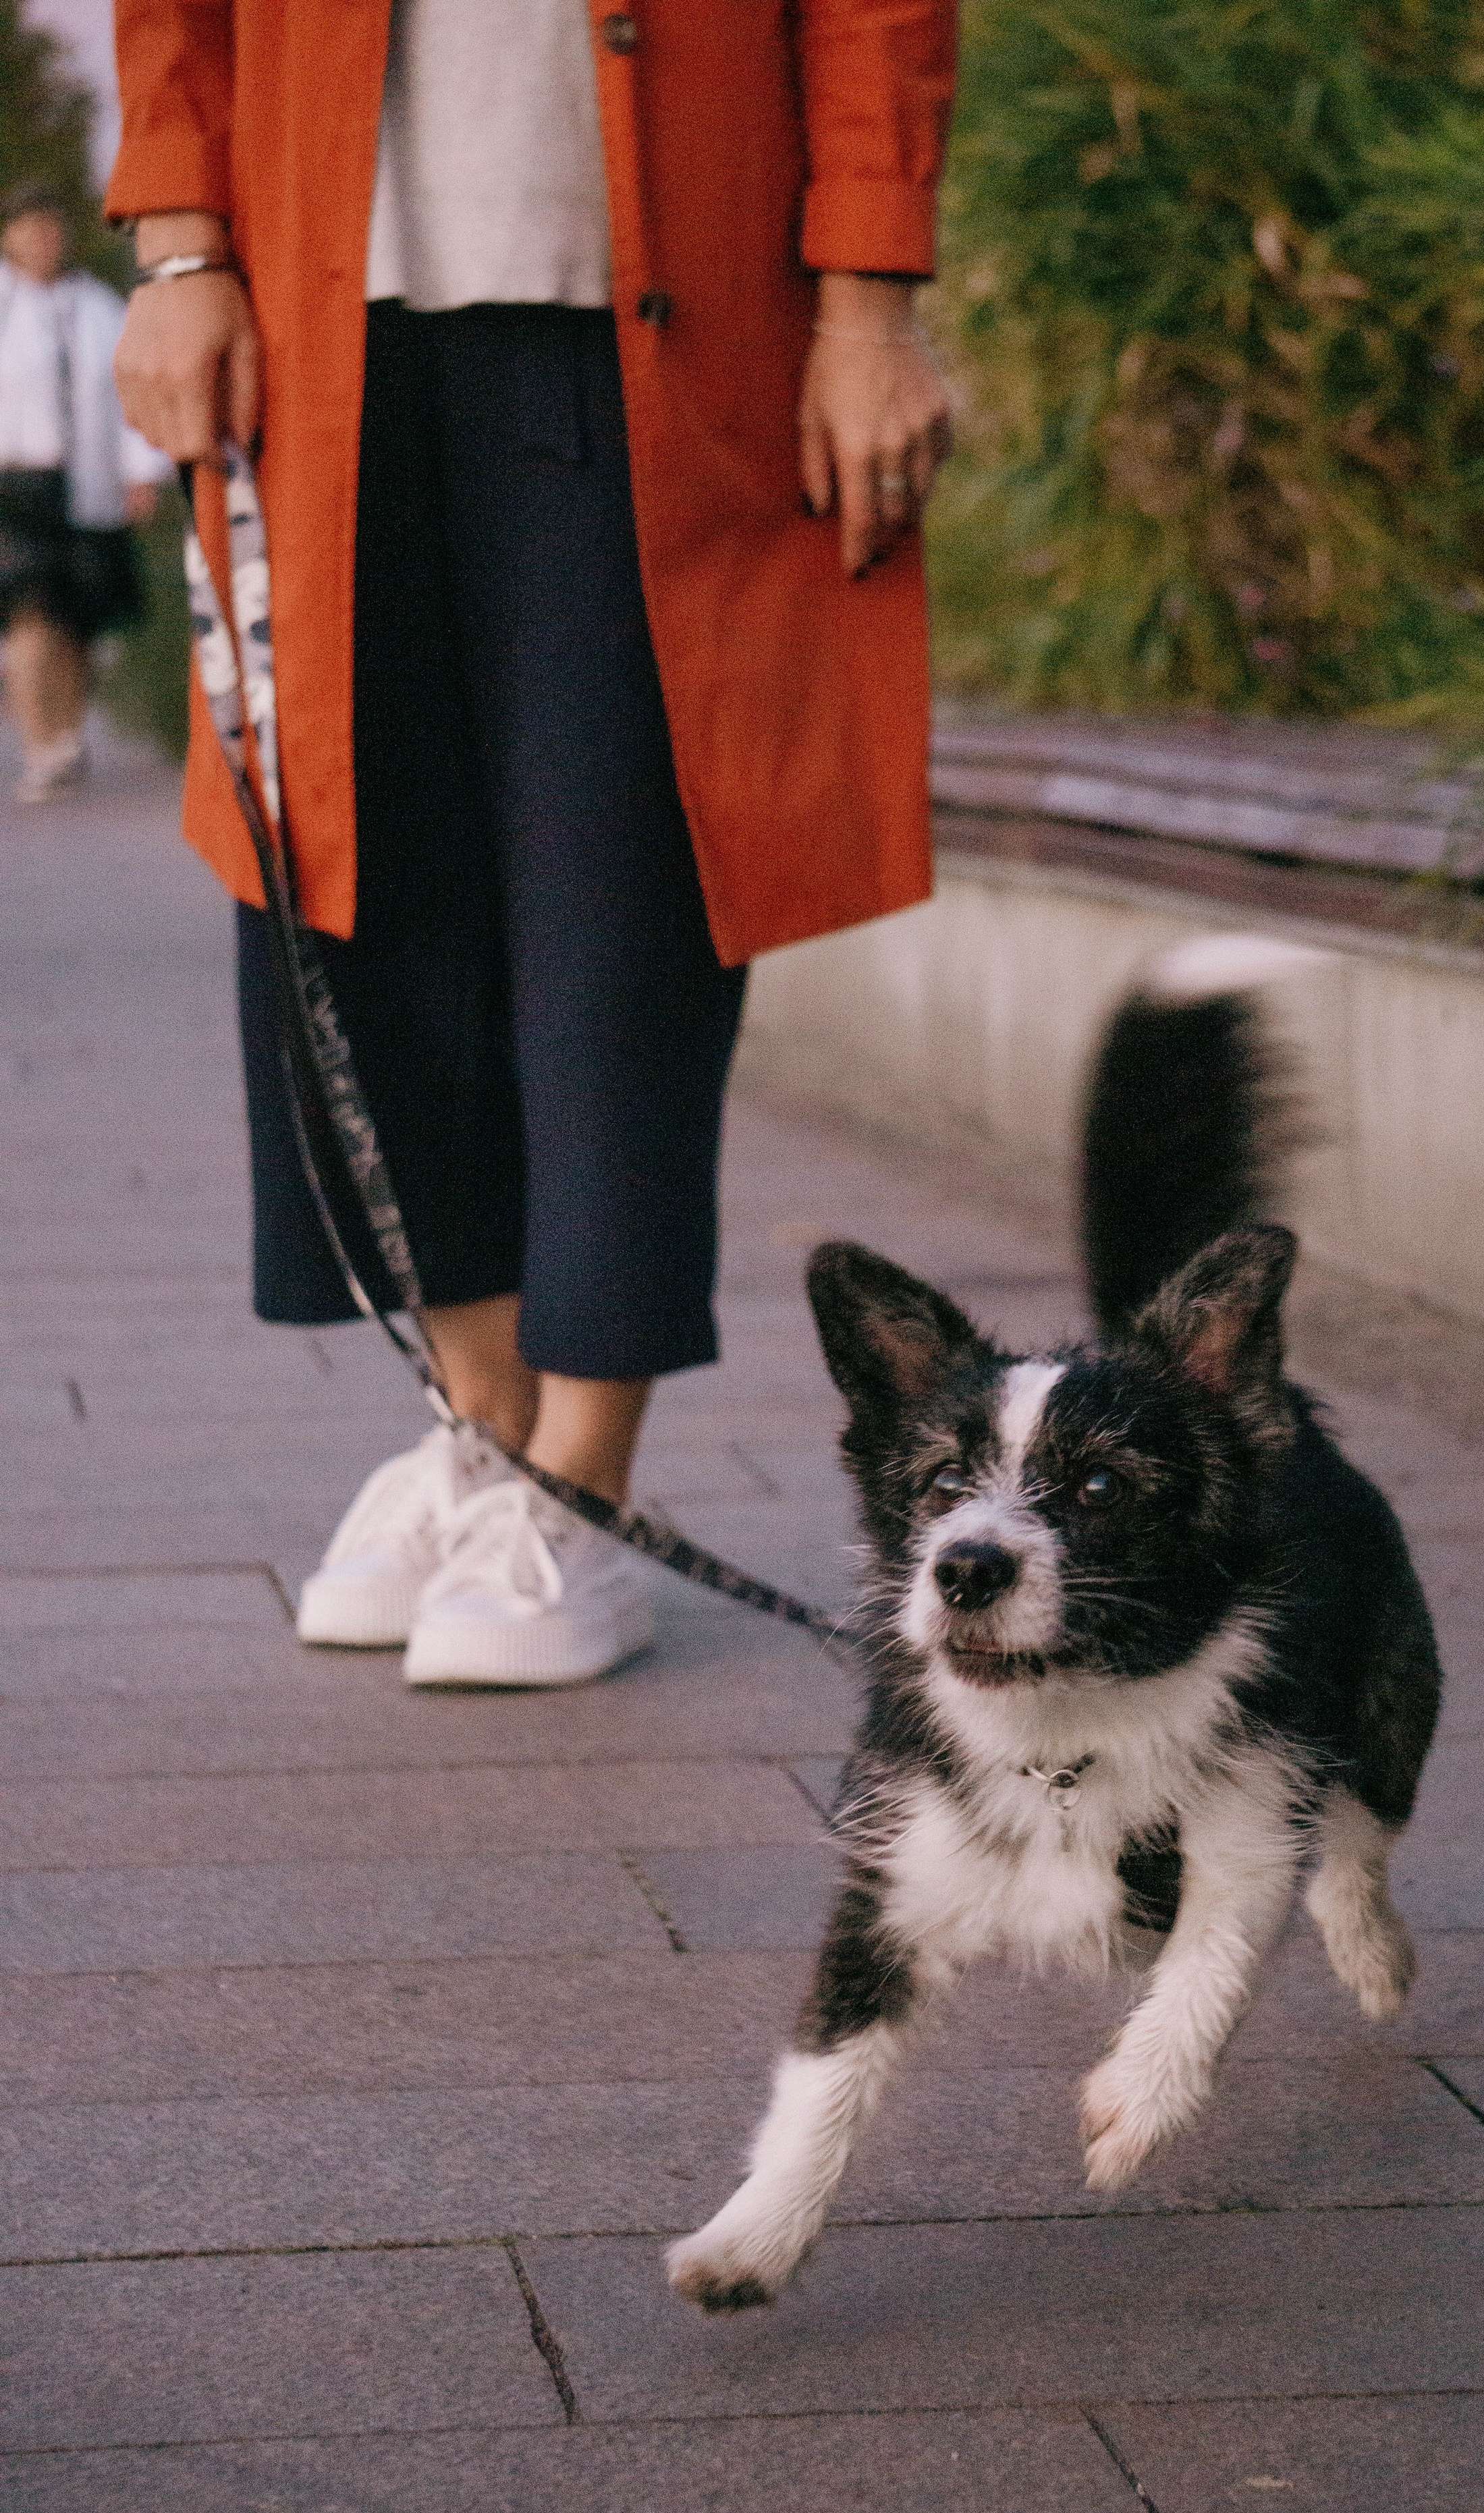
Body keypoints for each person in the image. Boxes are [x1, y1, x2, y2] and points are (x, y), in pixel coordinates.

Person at [109, 0, 957, 1688]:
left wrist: (866, 300)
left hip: (654, 321)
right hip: (317, 305)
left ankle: (581, 1486)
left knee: (614, 893)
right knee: (349, 884)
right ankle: (480, 1429)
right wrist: (177, 247)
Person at [0, 181, 171, 804]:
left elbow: (127, 397)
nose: (43, 239)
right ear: (9, 236)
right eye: (29, 228)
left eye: (52, 227)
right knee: (28, 614)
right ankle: (42, 745)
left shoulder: (100, 308)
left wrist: (142, 473)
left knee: (77, 620)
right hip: (17, 485)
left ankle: (67, 736)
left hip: (86, 484)